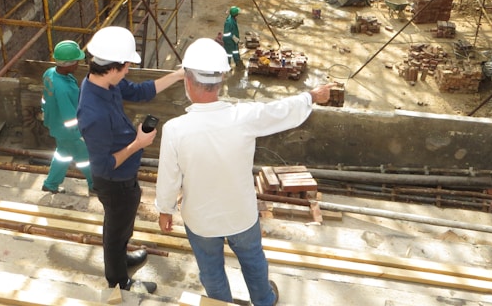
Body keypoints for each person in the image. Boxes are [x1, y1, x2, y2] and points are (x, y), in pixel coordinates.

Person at [155, 38, 332, 306]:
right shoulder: (243, 117)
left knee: (211, 271)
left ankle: (221, 303)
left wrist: (165, 209)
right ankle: (264, 301)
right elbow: (281, 111)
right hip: (241, 215)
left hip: (201, 220)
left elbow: (169, 178)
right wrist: (312, 96)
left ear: (187, 81)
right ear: (222, 80)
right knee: (253, 261)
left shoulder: (175, 129)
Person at [76, 26, 185, 294]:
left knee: (122, 224)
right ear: (112, 68)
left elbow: (139, 91)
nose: (128, 72)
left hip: (124, 176)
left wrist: (178, 75)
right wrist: (138, 144)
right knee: (116, 228)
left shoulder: (104, 81)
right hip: (114, 181)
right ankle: (118, 281)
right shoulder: (93, 113)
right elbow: (101, 165)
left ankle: (121, 258)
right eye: (126, 67)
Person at [40, 40, 93, 195]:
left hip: (57, 126)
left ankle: (50, 184)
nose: (78, 64)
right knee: (87, 158)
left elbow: (45, 99)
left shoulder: (49, 73)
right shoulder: (63, 89)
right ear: (67, 64)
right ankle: (95, 185)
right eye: (76, 61)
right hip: (70, 132)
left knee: (63, 155)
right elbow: (69, 117)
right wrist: (80, 134)